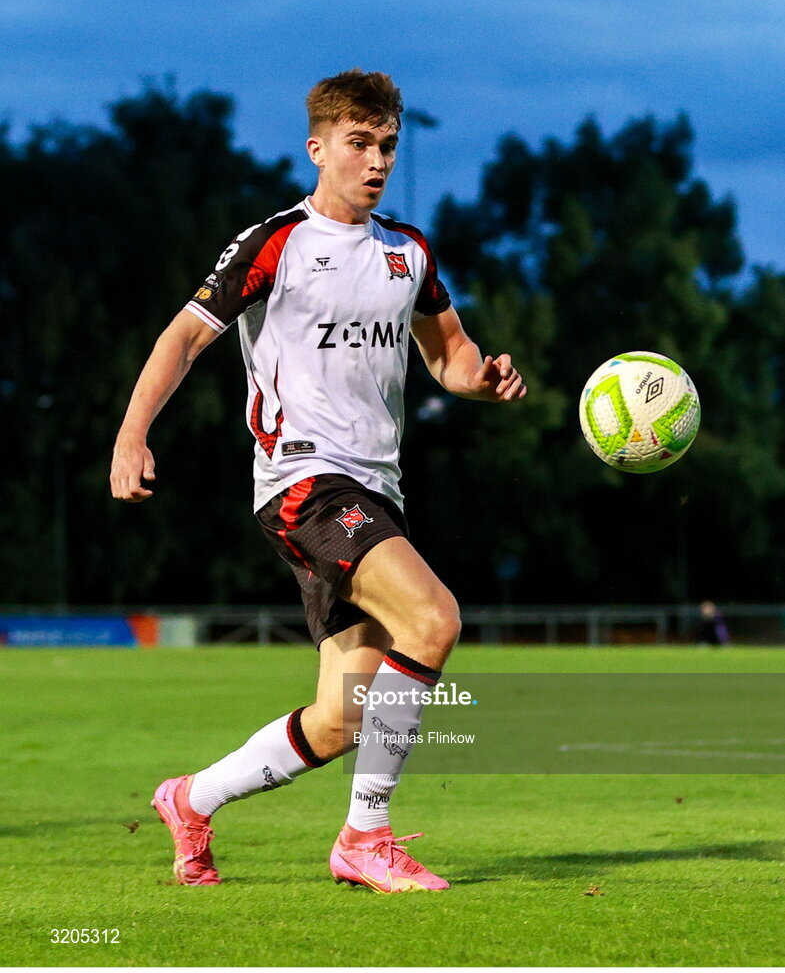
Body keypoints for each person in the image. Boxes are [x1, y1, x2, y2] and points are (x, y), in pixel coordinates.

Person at [110, 69, 526, 894]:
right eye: (359, 143)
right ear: (318, 148)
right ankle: (364, 841)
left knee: (341, 718)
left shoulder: (408, 253)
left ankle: (190, 800)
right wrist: (131, 434)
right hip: (304, 484)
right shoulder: (275, 244)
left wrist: (484, 381)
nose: (376, 161)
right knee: (435, 617)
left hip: (376, 493)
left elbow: (449, 355)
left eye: (387, 147)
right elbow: (182, 340)